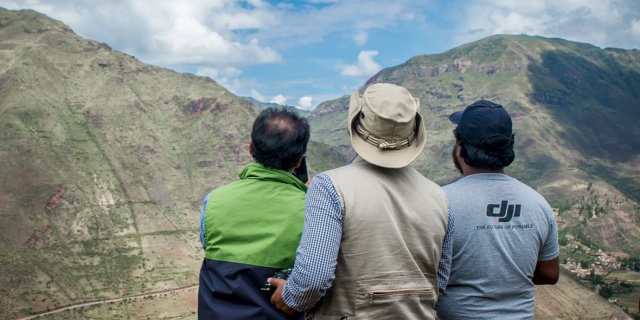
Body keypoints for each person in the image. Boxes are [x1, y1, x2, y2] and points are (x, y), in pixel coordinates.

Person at [268, 83, 452, 319]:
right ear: (414, 131)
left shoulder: (329, 186)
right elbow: (441, 279)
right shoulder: (439, 196)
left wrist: (290, 297)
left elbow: (314, 277)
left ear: (355, 124)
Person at [437, 100, 559, 320]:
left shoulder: (440, 201)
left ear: (460, 146)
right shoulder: (538, 203)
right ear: (509, 145)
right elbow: (550, 274)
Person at [198, 105, 310, 320]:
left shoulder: (213, 200)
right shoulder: (310, 208)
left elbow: (209, 245)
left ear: (251, 147)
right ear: (298, 160)